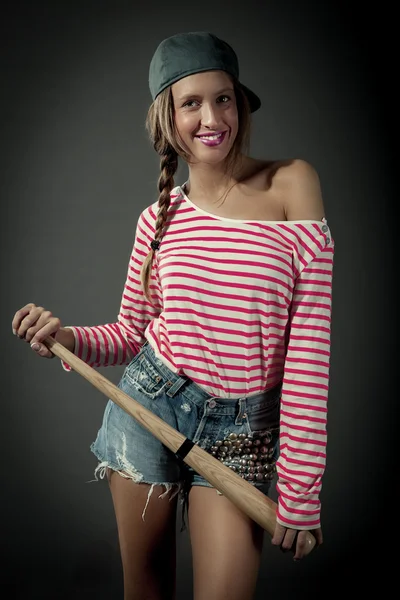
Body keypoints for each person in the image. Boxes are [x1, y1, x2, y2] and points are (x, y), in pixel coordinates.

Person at [11, 31, 335, 600]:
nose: (211, 117)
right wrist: (64, 335)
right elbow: (129, 336)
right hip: (149, 407)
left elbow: (309, 351)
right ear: (168, 117)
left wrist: (300, 491)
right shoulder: (157, 220)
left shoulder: (293, 184)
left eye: (224, 98)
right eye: (191, 103)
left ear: (239, 103)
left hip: (242, 433)